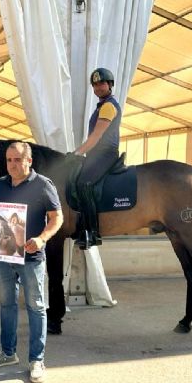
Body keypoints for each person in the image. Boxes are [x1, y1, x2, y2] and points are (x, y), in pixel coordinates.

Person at [0, 141, 62, 383]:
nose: (12, 165)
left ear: (29, 161)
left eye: (17, 160)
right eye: (9, 160)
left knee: (36, 306)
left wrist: (42, 238)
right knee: (7, 304)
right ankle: (8, 353)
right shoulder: (1, 185)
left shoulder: (43, 185)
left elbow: (57, 217)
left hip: (31, 258)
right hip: (4, 256)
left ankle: (37, 360)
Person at [73, 67, 123, 249]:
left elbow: (96, 136)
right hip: (96, 155)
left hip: (106, 154)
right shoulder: (101, 106)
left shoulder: (109, 106)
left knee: (84, 183)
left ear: (110, 85)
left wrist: (77, 152)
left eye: (101, 83)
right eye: (95, 85)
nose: (98, 87)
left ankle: (92, 233)